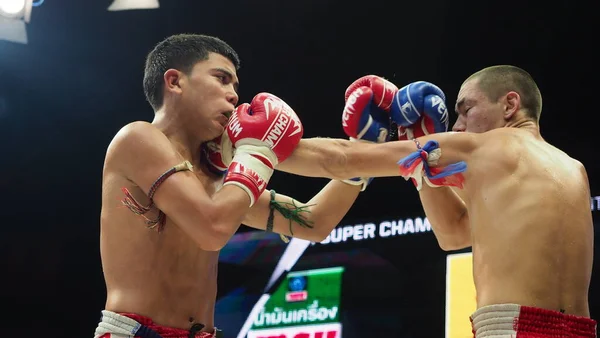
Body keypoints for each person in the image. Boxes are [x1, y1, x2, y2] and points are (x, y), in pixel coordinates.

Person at [94, 34, 385, 338]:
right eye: (221, 79)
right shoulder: (137, 138)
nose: (233, 95)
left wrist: (366, 149)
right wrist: (256, 154)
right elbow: (212, 228)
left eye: (235, 85)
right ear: (175, 81)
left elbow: (314, 222)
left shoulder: (217, 179)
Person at [278, 66, 597, 337]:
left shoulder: (483, 148)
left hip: (511, 328)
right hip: (580, 330)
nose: (458, 126)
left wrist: (259, 144)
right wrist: (422, 173)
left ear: (510, 104)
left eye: (466, 109)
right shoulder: (574, 168)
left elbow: (343, 159)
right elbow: (453, 234)